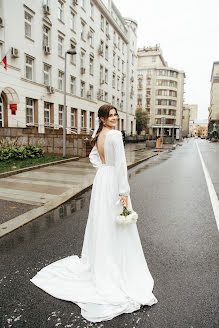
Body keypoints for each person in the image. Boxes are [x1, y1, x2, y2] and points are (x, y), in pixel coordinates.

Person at [30, 104, 158, 322]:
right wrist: (124, 191)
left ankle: (101, 261)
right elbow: (120, 165)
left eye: (116, 115)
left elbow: (94, 159)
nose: (115, 118)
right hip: (112, 182)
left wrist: (103, 171)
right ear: (102, 118)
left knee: (102, 221)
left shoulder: (98, 134)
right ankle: (114, 264)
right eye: (111, 115)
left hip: (101, 181)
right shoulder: (115, 135)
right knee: (116, 222)